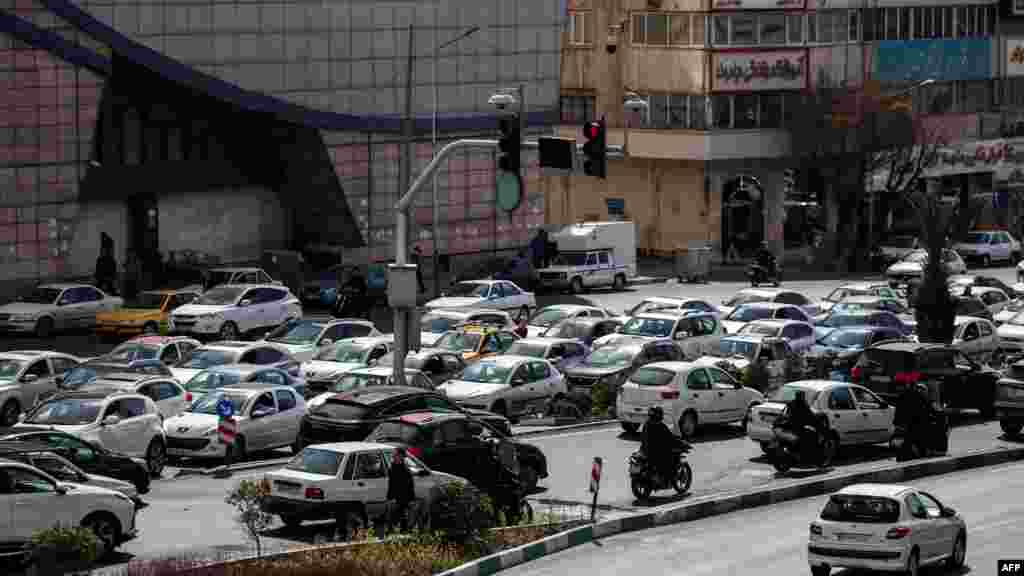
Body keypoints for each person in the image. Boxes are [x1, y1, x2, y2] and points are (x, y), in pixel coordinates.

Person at [641, 407, 685, 481]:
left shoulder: (646, 424)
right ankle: (667, 477)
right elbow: (670, 438)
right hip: (655, 453)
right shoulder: (660, 426)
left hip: (645, 451)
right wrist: (680, 442)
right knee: (670, 458)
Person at [896, 382, 931, 461]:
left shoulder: (904, 395)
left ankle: (907, 454)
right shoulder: (918, 396)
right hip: (915, 421)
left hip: (910, 421)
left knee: (910, 438)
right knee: (913, 438)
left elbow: (899, 409)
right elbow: (925, 409)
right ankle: (914, 454)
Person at [782, 390, 819, 456]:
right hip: (797, 426)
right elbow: (810, 414)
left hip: (789, 425)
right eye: (802, 396)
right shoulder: (803, 404)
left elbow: (784, 413)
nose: (803, 397)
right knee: (811, 434)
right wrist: (815, 419)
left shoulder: (791, 403)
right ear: (801, 397)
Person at [387, 448, 415, 531]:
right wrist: (390, 497)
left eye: (395, 455)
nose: (393, 456)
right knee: (392, 517)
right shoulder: (392, 468)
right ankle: (393, 531)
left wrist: (411, 498)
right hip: (395, 498)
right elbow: (391, 484)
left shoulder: (406, 469)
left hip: (404, 497)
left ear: (401, 456)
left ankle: (404, 531)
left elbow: (410, 485)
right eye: (393, 455)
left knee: (403, 517)